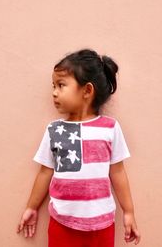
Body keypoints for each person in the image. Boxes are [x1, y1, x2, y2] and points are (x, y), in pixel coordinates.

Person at [17, 49, 141, 247]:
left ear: (87, 91)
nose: (54, 92)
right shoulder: (54, 130)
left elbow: (118, 172)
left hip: (101, 225)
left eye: (61, 85)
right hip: (61, 223)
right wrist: (31, 207)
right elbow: (44, 172)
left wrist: (129, 212)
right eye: (53, 86)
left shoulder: (109, 128)